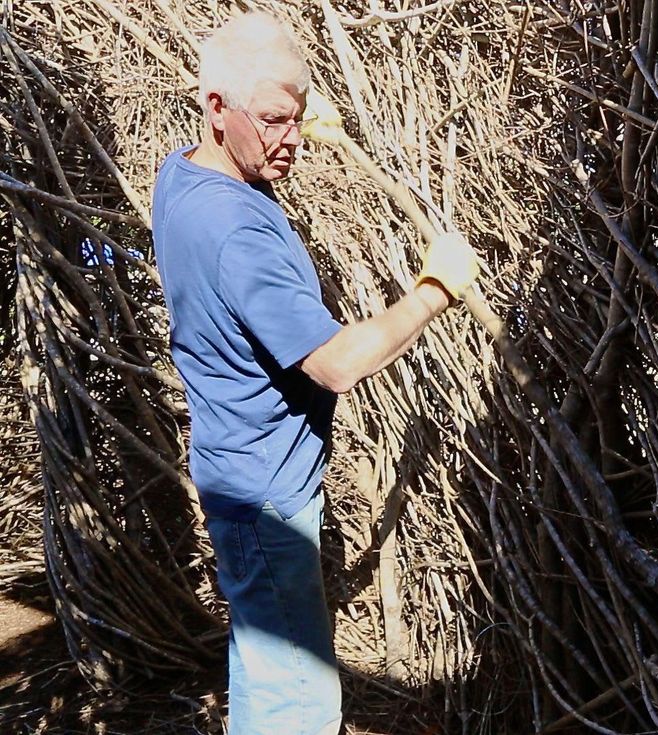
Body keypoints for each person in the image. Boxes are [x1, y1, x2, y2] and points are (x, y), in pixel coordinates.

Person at [151, 11, 479, 735]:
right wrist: (435, 290)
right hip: (266, 496)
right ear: (215, 108)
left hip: (232, 467)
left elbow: (237, 182)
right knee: (297, 703)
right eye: (272, 119)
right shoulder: (235, 232)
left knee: (267, 671)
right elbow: (334, 364)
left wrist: (290, 117)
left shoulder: (183, 177)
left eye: (294, 117)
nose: (290, 138)